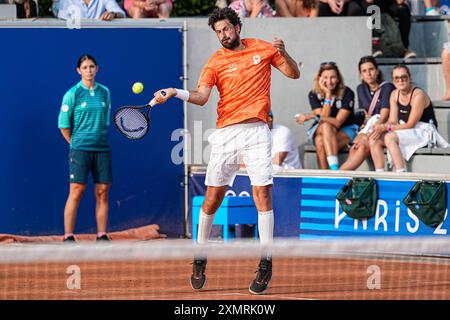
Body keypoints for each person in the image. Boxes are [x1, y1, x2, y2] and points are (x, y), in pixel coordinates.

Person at [153, 7, 300, 294]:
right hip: (226, 134)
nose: (223, 35)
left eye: (226, 29)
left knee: (263, 193)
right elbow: (201, 97)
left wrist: (285, 52)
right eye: (218, 32)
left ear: (237, 26)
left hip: (258, 131)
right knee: (212, 199)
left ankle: (266, 260)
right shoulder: (215, 62)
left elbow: (293, 74)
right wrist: (175, 92)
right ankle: (200, 254)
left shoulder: (264, 49)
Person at [58, 54, 113, 242]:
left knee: (103, 191)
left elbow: (105, 120)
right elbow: (63, 124)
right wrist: (74, 143)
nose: (88, 70)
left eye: (91, 66)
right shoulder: (72, 93)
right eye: (85, 67)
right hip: (80, 150)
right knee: (76, 190)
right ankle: (68, 236)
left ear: (97, 68)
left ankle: (102, 235)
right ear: (78, 71)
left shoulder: (104, 92)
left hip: (102, 149)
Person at [369, 65, 438, 172]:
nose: (400, 80)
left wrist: (386, 127)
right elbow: (393, 121)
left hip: (423, 131)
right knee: (374, 138)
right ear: (393, 80)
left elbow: (411, 124)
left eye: (404, 77)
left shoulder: (418, 95)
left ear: (410, 78)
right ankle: (380, 174)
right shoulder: (394, 94)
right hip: (407, 130)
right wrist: (380, 127)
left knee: (389, 137)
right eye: (396, 78)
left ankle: (401, 173)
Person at [295, 62, 358, 170]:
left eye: (332, 77)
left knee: (320, 141)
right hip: (321, 129)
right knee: (325, 127)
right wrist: (328, 95)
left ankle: (327, 175)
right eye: (325, 77)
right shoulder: (313, 94)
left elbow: (338, 123)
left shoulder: (347, 92)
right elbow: (322, 120)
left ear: (338, 78)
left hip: (345, 129)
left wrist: (312, 116)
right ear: (319, 79)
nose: (329, 81)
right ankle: (333, 170)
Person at [339, 56, 395, 170]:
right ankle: (344, 176)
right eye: (364, 71)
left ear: (377, 71)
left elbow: (385, 114)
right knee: (356, 146)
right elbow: (365, 113)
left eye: (371, 69)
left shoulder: (387, 87)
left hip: (383, 125)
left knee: (363, 145)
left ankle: (340, 175)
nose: (368, 73)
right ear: (361, 75)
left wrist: (370, 131)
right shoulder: (361, 88)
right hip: (368, 125)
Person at [57, 0, 125, 20]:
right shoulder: (65, 1)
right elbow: (63, 22)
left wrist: (113, 14)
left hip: (98, 39)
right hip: (74, 39)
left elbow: (121, 13)